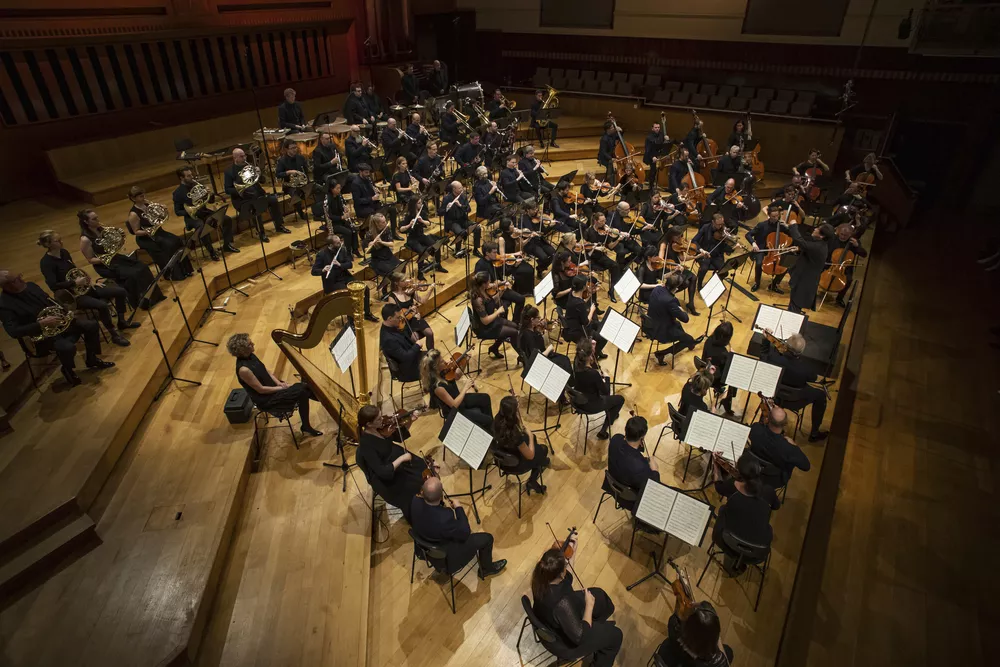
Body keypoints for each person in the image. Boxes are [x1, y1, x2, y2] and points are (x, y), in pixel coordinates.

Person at [0, 269, 114, 385]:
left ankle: (91, 359)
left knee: (92, 325)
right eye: (16, 279)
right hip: (42, 336)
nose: (21, 279)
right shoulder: (4, 305)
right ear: (7, 286)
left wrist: (64, 310)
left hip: (59, 324)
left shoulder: (31, 286)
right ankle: (67, 369)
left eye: (19, 275)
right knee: (67, 347)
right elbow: (13, 332)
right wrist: (41, 323)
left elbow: (49, 301)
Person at [531, 543, 622, 667]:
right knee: (616, 636)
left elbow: (567, 576)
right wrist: (589, 606)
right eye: (565, 567)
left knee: (600, 596)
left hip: (552, 620)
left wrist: (573, 552)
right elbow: (580, 636)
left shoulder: (540, 579)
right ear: (560, 574)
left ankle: (598, 629)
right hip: (565, 644)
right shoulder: (562, 602)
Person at [37, 231, 134, 345]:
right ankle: (114, 334)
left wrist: (89, 280)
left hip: (84, 287)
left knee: (120, 291)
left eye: (60, 239)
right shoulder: (46, 263)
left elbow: (75, 270)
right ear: (48, 244)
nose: (61, 242)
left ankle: (121, 321)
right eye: (57, 241)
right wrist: (73, 283)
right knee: (102, 306)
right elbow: (53, 285)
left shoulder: (64, 253)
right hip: (72, 296)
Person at [411, 474, 508, 577]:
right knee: (488, 538)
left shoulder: (414, 501)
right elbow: (465, 532)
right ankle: (486, 569)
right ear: (440, 497)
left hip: (423, 548)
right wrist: (458, 508)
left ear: (422, 492)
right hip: (446, 557)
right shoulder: (445, 517)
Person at [227, 333, 323, 437]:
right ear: (242, 350)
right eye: (250, 344)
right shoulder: (243, 370)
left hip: (274, 388)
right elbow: (261, 390)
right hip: (267, 399)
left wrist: (279, 383)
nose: (253, 344)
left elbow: (266, 371)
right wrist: (281, 388)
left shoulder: (251, 356)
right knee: (303, 389)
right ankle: (317, 414)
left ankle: (309, 422)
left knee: (304, 389)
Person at [78, 209, 163, 310]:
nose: (97, 220)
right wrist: (108, 256)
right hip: (105, 265)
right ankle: (141, 302)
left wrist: (119, 238)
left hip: (116, 258)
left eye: (97, 217)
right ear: (86, 222)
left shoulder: (102, 229)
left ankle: (155, 297)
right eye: (94, 219)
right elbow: (90, 260)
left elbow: (113, 244)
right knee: (133, 274)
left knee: (142, 266)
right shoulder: (85, 239)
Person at [354, 403, 426, 520]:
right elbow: (382, 471)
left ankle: (428, 499)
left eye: (381, 416)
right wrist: (402, 458)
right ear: (369, 424)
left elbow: (398, 436)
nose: (383, 419)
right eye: (379, 419)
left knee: (422, 466)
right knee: (413, 487)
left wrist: (410, 421)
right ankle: (418, 512)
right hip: (385, 476)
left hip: (392, 457)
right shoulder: (366, 445)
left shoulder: (380, 428)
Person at [712, 453, 779, 573]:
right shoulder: (768, 491)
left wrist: (716, 467)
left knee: (723, 509)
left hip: (728, 544)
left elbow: (718, 487)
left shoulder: (732, 488)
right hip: (757, 552)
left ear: (739, 472)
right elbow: (776, 506)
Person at [764, 332, 828, 441]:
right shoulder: (804, 368)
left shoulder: (774, 359)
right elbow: (813, 378)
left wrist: (766, 340)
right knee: (821, 395)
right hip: (796, 401)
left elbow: (764, 355)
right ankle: (814, 433)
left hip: (776, 397)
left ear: (786, 346)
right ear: (801, 351)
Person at [421, 348, 494, 435]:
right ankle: (489, 429)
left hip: (459, 400)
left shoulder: (444, 372)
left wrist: (464, 362)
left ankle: (490, 430)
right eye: (441, 361)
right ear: (435, 367)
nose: (445, 361)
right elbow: (454, 405)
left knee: (485, 398)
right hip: (455, 412)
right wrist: (465, 388)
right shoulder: (437, 387)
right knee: (487, 420)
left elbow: (457, 376)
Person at [125, 186, 192, 281]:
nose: (143, 197)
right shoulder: (133, 214)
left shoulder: (148, 204)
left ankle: (185, 270)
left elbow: (159, 217)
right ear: (133, 199)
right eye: (140, 196)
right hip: (147, 238)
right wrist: (149, 231)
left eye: (143, 194)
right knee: (169, 245)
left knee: (177, 240)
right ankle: (174, 274)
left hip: (158, 232)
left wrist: (163, 210)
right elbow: (136, 232)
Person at [224, 148, 290, 241]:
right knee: (255, 206)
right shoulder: (229, 172)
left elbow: (262, 181)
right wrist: (241, 188)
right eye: (241, 156)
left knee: (273, 200)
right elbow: (227, 190)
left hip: (258, 194)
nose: (244, 158)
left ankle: (279, 225)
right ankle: (261, 233)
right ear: (235, 158)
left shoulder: (250, 166)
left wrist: (259, 174)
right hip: (243, 199)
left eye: (245, 155)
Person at [310, 232, 377, 322]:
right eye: (337, 243)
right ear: (330, 245)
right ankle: (351, 320)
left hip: (345, 277)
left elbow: (349, 264)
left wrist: (340, 264)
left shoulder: (342, 249)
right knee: (349, 296)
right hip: (333, 282)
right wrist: (323, 269)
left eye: (340, 241)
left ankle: (367, 313)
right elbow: (313, 271)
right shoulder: (321, 254)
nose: (340, 243)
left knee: (365, 289)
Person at [172, 167, 237, 258]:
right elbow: (178, 211)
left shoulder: (197, 185)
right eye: (188, 176)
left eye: (191, 174)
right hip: (192, 217)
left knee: (226, 219)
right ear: (181, 178)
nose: (192, 177)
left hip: (204, 212)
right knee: (202, 226)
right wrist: (191, 210)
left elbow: (210, 201)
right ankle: (211, 251)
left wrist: (210, 194)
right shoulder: (177, 193)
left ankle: (227, 245)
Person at [493, 395, 550, 494]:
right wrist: (530, 436)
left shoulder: (497, 420)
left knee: (534, 441)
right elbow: (530, 456)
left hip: (501, 461)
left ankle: (541, 462)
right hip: (516, 464)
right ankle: (532, 481)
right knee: (543, 449)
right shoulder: (515, 435)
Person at [604, 415, 659, 512]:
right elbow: (653, 487)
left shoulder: (615, 439)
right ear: (642, 437)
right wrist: (655, 470)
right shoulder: (640, 467)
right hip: (629, 497)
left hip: (612, 484)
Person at [655, 600, 735, 667]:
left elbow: (676, 617)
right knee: (728, 651)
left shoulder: (675, 628)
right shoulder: (719, 662)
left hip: (674, 659)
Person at [644, 274, 701, 367]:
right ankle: (662, 353)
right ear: (676, 288)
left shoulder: (657, 289)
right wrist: (681, 310)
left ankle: (690, 343)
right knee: (688, 339)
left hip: (650, 324)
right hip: (661, 331)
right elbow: (685, 319)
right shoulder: (671, 301)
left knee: (679, 327)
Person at [749, 405, 811, 489]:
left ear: (768, 419)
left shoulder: (755, 429)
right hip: (775, 479)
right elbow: (806, 466)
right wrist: (795, 446)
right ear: (785, 423)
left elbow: (760, 430)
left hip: (753, 470)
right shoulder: (789, 448)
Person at [571, 343, 623, 440]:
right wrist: (606, 378)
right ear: (590, 356)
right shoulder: (593, 374)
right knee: (620, 399)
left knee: (608, 399)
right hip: (591, 405)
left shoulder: (576, 364)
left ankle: (611, 414)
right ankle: (603, 431)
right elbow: (605, 391)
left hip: (578, 401)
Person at [518, 304, 572, 398]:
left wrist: (542, 331)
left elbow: (539, 343)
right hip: (538, 365)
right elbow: (537, 358)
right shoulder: (528, 336)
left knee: (565, 359)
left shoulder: (529, 329)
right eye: (538, 318)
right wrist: (549, 349)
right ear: (532, 320)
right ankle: (563, 393)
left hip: (542, 358)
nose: (540, 319)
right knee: (564, 364)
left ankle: (566, 390)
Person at [468, 271, 520, 361]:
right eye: (489, 281)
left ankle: (494, 348)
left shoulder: (483, 291)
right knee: (514, 332)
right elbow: (485, 321)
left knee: (515, 326)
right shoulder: (478, 299)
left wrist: (502, 291)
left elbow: (491, 302)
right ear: (484, 284)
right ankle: (522, 356)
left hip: (492, 322)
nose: (490, 283)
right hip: (484, 328)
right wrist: (498, 312)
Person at [786, 218, 834, 313]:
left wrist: (793, 226)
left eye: (817, 229)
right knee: (793, 307)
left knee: (794, 310)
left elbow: (799, 240)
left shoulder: (819, 247)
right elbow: (808, 249)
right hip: (802, 279)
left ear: (821, 236)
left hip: (804, 283)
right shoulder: (820, 244)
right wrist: (800, 249)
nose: (815, 229)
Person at [476, 241, 528, 322]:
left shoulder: (496, 261)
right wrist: (494, 284)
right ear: (487, 253)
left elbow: (506, 273)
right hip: (489, 293)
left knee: (521, 299)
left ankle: (515, 323)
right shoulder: (480, 265)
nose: (497, 254)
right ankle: (504, 326)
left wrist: (514, 266)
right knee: (504, 309)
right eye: (494, 252)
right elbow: (479, 284)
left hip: (501, 288)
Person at [746, 205, 791, 294]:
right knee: (759, 263)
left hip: (776, 251)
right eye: (773, 216)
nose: (775, 218)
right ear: (769, 215)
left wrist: (788, 226)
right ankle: (757, 283)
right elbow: (748, 235)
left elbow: (792, 236)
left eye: (777, 216)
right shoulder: (762, 225)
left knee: (786, 265)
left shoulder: (781, 226)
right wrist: (754, 244)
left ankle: (774, 285)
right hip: (761, 249)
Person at [582, 212, 624, 301]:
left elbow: (611, 246)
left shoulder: (605, 232)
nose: (604, 223)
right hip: (590, 258)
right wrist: (596, 248)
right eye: (602, 221)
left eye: (605, 220)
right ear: (595, 221)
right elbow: (584, 246)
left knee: (615, 266)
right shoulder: (588, 231)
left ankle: (611, 290)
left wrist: (618, 240)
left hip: (601, 257)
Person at [386, 272, 435, 348]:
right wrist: (408, 311)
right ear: (396, 283)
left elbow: (423, 301)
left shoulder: (410, 291)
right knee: (416, 340)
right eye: (403, 280)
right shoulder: (392, 297)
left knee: (430, 333)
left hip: (414, 318)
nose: (407, 281)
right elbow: (393, 316)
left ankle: (432, 355)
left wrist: (430, 290)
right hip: (404, 324)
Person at [563, 276, 607, 359]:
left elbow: (581, 304)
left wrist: (590, 295)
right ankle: (593, 359)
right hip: (578, 331)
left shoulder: (572, 293)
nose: (588, 286)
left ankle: (597, 350)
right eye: (586, 284)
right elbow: (586, 322)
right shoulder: (579, 304)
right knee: (603, 338)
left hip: (574, 324)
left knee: (601, 325)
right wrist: (592, 310)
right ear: (583, 287)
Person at [401, 195, 446, 277]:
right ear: (414, 204)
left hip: (421, 236)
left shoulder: (421, 212)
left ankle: (438, 265)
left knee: (436, 245)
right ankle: (420, 273)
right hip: (412, 239)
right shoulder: (407, 215)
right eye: (419, 203)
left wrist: (422, 221)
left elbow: (429, 223)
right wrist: (409, 225)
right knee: (422, 251)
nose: (421, 204)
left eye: (421, 202)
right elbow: (401, 229)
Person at [380, 303, 425, 382]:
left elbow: (403, 335)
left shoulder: (391, 326)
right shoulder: (388, 340)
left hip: (412, 358)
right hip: (407, 370)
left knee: (435, 355)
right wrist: (417, 345)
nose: (400, 319)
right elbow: (405, 357)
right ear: (390, 318)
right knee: (434, 365)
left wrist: (412, 334)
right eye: (398, 317)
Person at [826, 222, 868, 307]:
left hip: (845, 268)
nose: (843, 236)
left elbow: (864, 254)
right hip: (830, 264)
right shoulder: (833, 238)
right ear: (838, 232)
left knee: (849, 280)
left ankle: (839, 299)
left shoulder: (854, 242)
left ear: (850, 235)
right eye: (841, 234)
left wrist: (857, 246)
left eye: (846, 235)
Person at [662, 228, 699, 313]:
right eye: (678, 237)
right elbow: (660, 260)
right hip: (669, 268)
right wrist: (674, 266)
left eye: (681, 237)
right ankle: (668, 295)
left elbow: (682, 258)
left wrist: (696, 256)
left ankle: (691, 303)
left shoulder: (678, 245)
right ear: (672, 236)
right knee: (686, 283)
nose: (680, 239)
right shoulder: (664, 244)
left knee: (693, 277)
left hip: (678, 267)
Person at [702, 321, 736, 415]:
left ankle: (726, 398)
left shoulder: (709, 340)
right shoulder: (724, 354)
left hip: (705, 370)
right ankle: (727, 402)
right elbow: (728, 370)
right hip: (715, 379)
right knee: (734, 378)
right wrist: (732, 356)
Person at [691, 213, 732, 290]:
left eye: (722, 224)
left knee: (724, 271)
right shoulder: (705, 227)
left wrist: (732, 246)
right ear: (713, 222)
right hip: (704, 254)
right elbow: (694, 240)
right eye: (718, 224)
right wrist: (701, 250)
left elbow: (724, 247)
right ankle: (699, 286)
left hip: (716, 255)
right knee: (703, 269)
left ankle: (713, 283)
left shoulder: (723, 231)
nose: (720, 226)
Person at [363, 213, 401, 293]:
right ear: (377, 224)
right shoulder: (369, 234)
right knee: (390, 272)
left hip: (388, 255)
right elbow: (366, 251)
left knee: (401, 267)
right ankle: (384, 289)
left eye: (385, 221)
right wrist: (370, 245)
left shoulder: (386, 230)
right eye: (383, 222)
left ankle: (394, 287)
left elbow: (391, 243)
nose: (385, 223)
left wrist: (381, 242)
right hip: (377, 259)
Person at [274, 139, 311, 222]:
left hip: (302, 182)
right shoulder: (282, 161)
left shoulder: (300, 158)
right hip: (289, 185)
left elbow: (306, 171)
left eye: (295, 147)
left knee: (316, 188)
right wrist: (288, 172)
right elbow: (278, 174)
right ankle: (301, 213)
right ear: (287, 149)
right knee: (296, 193)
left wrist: (307, 182)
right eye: (292, 148)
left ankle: (317, 211)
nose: (295, 149)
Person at [442, 181, 480, 258]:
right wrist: (446, 208)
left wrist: (460, 205)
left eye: (461, 187)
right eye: (459, 188)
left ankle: (476, 250)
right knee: (460, 232)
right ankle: (458, 250)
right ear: (454, 189)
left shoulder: (463, 196)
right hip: (452, 222)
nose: (462, 189)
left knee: (477, 228)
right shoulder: (447, 198)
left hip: (463, 220)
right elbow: (439, 212)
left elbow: (468, 209)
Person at [518, 199, 556, 276]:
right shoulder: (522, 219)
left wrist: (550, 226)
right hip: (530, 243)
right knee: (544, 258)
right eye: (533, 209)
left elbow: (544, 232)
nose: (536, 211)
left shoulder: (538, 218)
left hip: (540, 241)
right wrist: (530, 234)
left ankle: (540, 267)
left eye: (536, 208)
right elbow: (520, 234)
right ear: (528, 210)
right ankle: (540, 269)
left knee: (554, 254)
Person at [323, 180, 361, 257]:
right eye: (337, 188)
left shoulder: (339, 196)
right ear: (331, 189)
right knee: (348, 232)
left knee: (353, 229)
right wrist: (341, 217)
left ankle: (355, 250)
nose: (339, 190)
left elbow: (342, 207)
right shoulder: (327, 200)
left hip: (341, 221)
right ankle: (347, 253)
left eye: (340, 188)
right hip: (333, 224)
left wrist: (345, 209)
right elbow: (329, 216)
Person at [605, 201, 641, 270]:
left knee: (639, 251)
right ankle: (619, 268)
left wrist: (642, 229)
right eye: (627, 210)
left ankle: (623, 265)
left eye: (629, 209)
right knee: (622, 252)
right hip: (616, 241)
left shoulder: (627, 218)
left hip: (626, 239)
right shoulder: (611, 216)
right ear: (620, 210)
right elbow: (609, 229)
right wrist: (621, 233)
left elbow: (632, 231)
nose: (629, 211)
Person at [643, 119, 671, 189]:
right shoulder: (649, 138)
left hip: (659, 153)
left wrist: (668, 139)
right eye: (656, 127)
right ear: (652, 128)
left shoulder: (662, 134)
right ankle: (651, 185)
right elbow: (647, 150)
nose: (657, 129)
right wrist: (653, 157)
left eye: (658, 127)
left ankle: (659, 183)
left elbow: (665, 144)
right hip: (650, 154)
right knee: (653, 170)